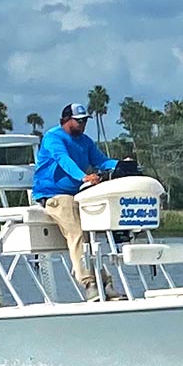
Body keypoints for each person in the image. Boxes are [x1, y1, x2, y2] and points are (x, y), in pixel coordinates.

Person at [33, 102, 118, 301]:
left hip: (77, 195)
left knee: (91, 236)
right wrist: (83, 177)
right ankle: (89, 283)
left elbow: (102, 161)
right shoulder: (53, 138)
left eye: (84, 121)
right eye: (78, 121)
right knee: (78, 232)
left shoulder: (85, 141)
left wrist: (122, 164)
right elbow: (63, 160)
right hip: (54, 195)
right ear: (65, 121)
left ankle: (105, 282)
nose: (82, 125)